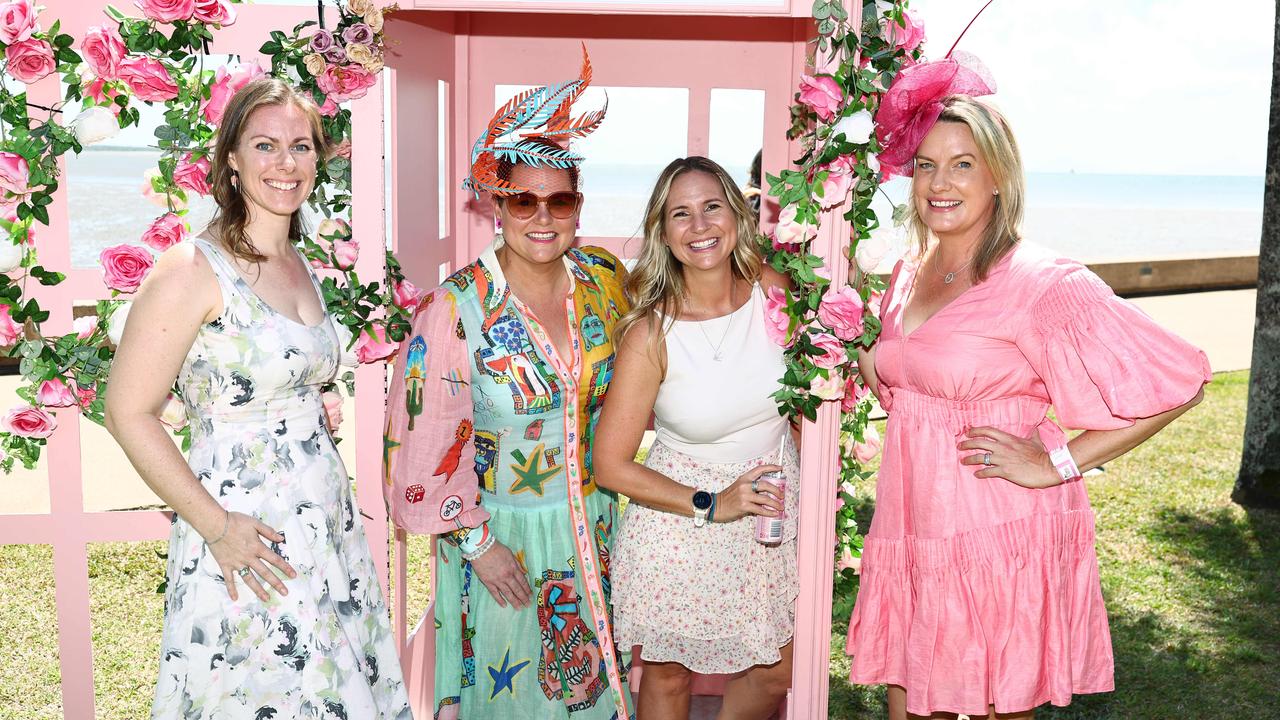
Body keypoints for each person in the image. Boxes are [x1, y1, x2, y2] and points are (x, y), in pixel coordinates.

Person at [843, 55, 1211, 720]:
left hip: (998, 531)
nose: (939, 182)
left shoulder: (1043, 282)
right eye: (925, 164)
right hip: (914, 530)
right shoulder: (906, 274)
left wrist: (1057, 464)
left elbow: (1179, 383)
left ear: (997, 178)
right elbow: (908, 393)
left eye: (962, 163)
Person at [104, 77, 411, 718]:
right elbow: (127, 412)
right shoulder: (190, 270)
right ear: (232, 160)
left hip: (322, 523)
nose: (285, 163)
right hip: (245, 531)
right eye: (264, 145)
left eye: (301, 146)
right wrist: (217, 529)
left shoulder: (300, 262)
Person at [383, 50, 634, 720]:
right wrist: (479, 546)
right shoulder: (453, 310)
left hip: (604, 530)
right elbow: (419, 449)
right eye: (523, 199)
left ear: (579, 205)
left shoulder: (605, 279)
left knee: (597, 694)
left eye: (561, 199)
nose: (543, 216)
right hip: (506, 544)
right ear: (497, 203)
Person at [594, 156, 798, 720]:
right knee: (666, 675)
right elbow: (609, 464)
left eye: (712, 207)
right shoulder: (650, 332)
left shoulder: (774, 293)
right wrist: (713, 504)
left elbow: (809, 392)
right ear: (663, 231)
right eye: (680, 214)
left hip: (771, 505)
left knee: (775, 669)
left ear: (737, 212)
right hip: (681, 517)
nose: (700, 226)